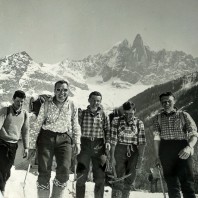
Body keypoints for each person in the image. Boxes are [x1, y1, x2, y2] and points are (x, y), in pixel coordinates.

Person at [33, 80, 81, 198]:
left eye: (65, 90)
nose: (61, 93)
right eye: (58, 90)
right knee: (44, 171)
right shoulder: (47, 104)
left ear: (68, 91)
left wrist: (77, 142)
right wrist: (31, 143)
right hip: (46, 137)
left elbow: (75, 124)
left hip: (64, 138)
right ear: (54, 91)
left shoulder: (72, 104)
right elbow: (37, 124)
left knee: (64, 171)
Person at [153, 91, 198, 198]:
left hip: (182, 148)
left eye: (169, 101)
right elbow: (156, 139)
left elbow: (194, 134)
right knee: (172, 186)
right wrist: (157, 157)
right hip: (165, 150)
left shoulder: (184, 115)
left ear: (174, 101)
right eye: (163, 101)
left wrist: (189, 147)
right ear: (161, 103)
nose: (166, 103)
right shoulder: (158, 118)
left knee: (187, 184)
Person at [76, 91, 110, 198]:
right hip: (84, 146)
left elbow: (107, 130)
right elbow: (76, 128)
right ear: (89, 100)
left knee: (100, 177)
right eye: (93, 100)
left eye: (98, 101)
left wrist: (108, 141)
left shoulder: (104, 115)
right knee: (81, 176)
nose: (95, 103)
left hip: (99, 147)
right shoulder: (82, 113)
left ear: (100, 102)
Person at [110, 101, 146, 198]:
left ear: (135, 111)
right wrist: (112, 157)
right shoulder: (116, 121)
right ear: (123, 112)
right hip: (119, 150)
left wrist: (140, 159)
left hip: (133, 151)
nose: (128, 116)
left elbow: (142, 142)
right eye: (126, 113)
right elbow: (113, 141)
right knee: (117, 178)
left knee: (130, 178)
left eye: (131, 113)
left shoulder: (139, 123)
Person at [0, 90, 29, 195]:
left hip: (14, 145)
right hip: (2, 143)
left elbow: (25, 131)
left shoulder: (25, 114)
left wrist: (26, 147)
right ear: (13, 99)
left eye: (22, 102)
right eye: (18, 101)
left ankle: (2, 186)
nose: (20, 104)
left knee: (7, 171)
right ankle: (2, 190)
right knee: (2, 168)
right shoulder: (5, 110)